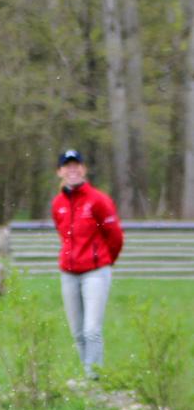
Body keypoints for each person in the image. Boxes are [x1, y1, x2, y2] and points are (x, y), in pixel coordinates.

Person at [51, 149, 123, 381]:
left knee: (92, 329)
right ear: (60, 171)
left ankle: (95, 379)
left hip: (95, 273)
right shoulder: (58, 203)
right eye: (67, 166)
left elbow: (115, 236)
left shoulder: (98, 200)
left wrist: (103, 261)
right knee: (78, 332)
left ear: (84, 169)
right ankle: (87, 376)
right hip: (69, 274)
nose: (72, 170)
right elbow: (63, 235)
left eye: (76, 165)